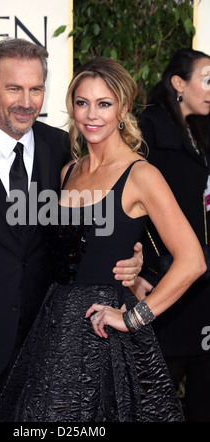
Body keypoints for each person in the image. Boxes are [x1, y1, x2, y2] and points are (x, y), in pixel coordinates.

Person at [0, 38, 143, 422]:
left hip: (41, 351)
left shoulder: (63, 149)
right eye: (14, 88)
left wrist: (133, 259)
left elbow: (101, 223)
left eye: (36, 89)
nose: (26, 101)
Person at [0, 56, 206, 423]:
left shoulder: (141, 175)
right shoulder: (68, 170)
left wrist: (136, 317)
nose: (92, 114)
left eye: (104, 103)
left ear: (122, 108)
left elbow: (193, 260)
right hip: (54, 327)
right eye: (82, 102)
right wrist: (135, 264)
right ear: (71, 106)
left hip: (104, 331)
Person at [138, 48, 210, 422]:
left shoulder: (202, 128)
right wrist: (144, 271)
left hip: (204, 288)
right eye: (207, 79)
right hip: (167, 288)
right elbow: (132, 208)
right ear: (178, 84)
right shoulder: (147, 128)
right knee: (158, 404)